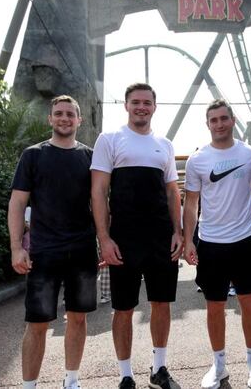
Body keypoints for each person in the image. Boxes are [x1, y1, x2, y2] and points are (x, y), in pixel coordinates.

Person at [90, 83, 183, 389]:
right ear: (126, 105)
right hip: (123, 238)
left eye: (146, 102)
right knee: (123, 308)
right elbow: (99, 191)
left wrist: (178, 232)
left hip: (160, 237)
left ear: (154, 107)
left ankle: (159, 369)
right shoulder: (109, 139)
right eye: (136, 102)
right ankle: (125, 375)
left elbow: (172, 192)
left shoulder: (164, 145)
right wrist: (104, 238)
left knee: (161, 303)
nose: (141, 107)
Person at [8, 95, 97, 389]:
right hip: (44, 252)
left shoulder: (90, 157)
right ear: (50, 118)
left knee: (78, 319)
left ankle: (71, 381)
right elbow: (17, 203)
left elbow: (100, 202)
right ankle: (29, 386)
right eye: (58, 113)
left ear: (79, 120)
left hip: (82, 250)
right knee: (37, 323)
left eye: (70, 114)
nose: (64, 118)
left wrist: (104, 240)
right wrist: (17, 247)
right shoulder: (33, 155)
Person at [183, 99, 251, 389]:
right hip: (211, 243)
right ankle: (219, 365)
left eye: (223, 118)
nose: (219, 124)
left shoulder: (250, 154)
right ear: (207, 124)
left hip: (246, 239)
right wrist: (188, 240)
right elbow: (191, 203)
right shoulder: (197, 160)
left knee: (248, 302)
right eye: (214, 120)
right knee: (214, 306)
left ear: (232, 120)